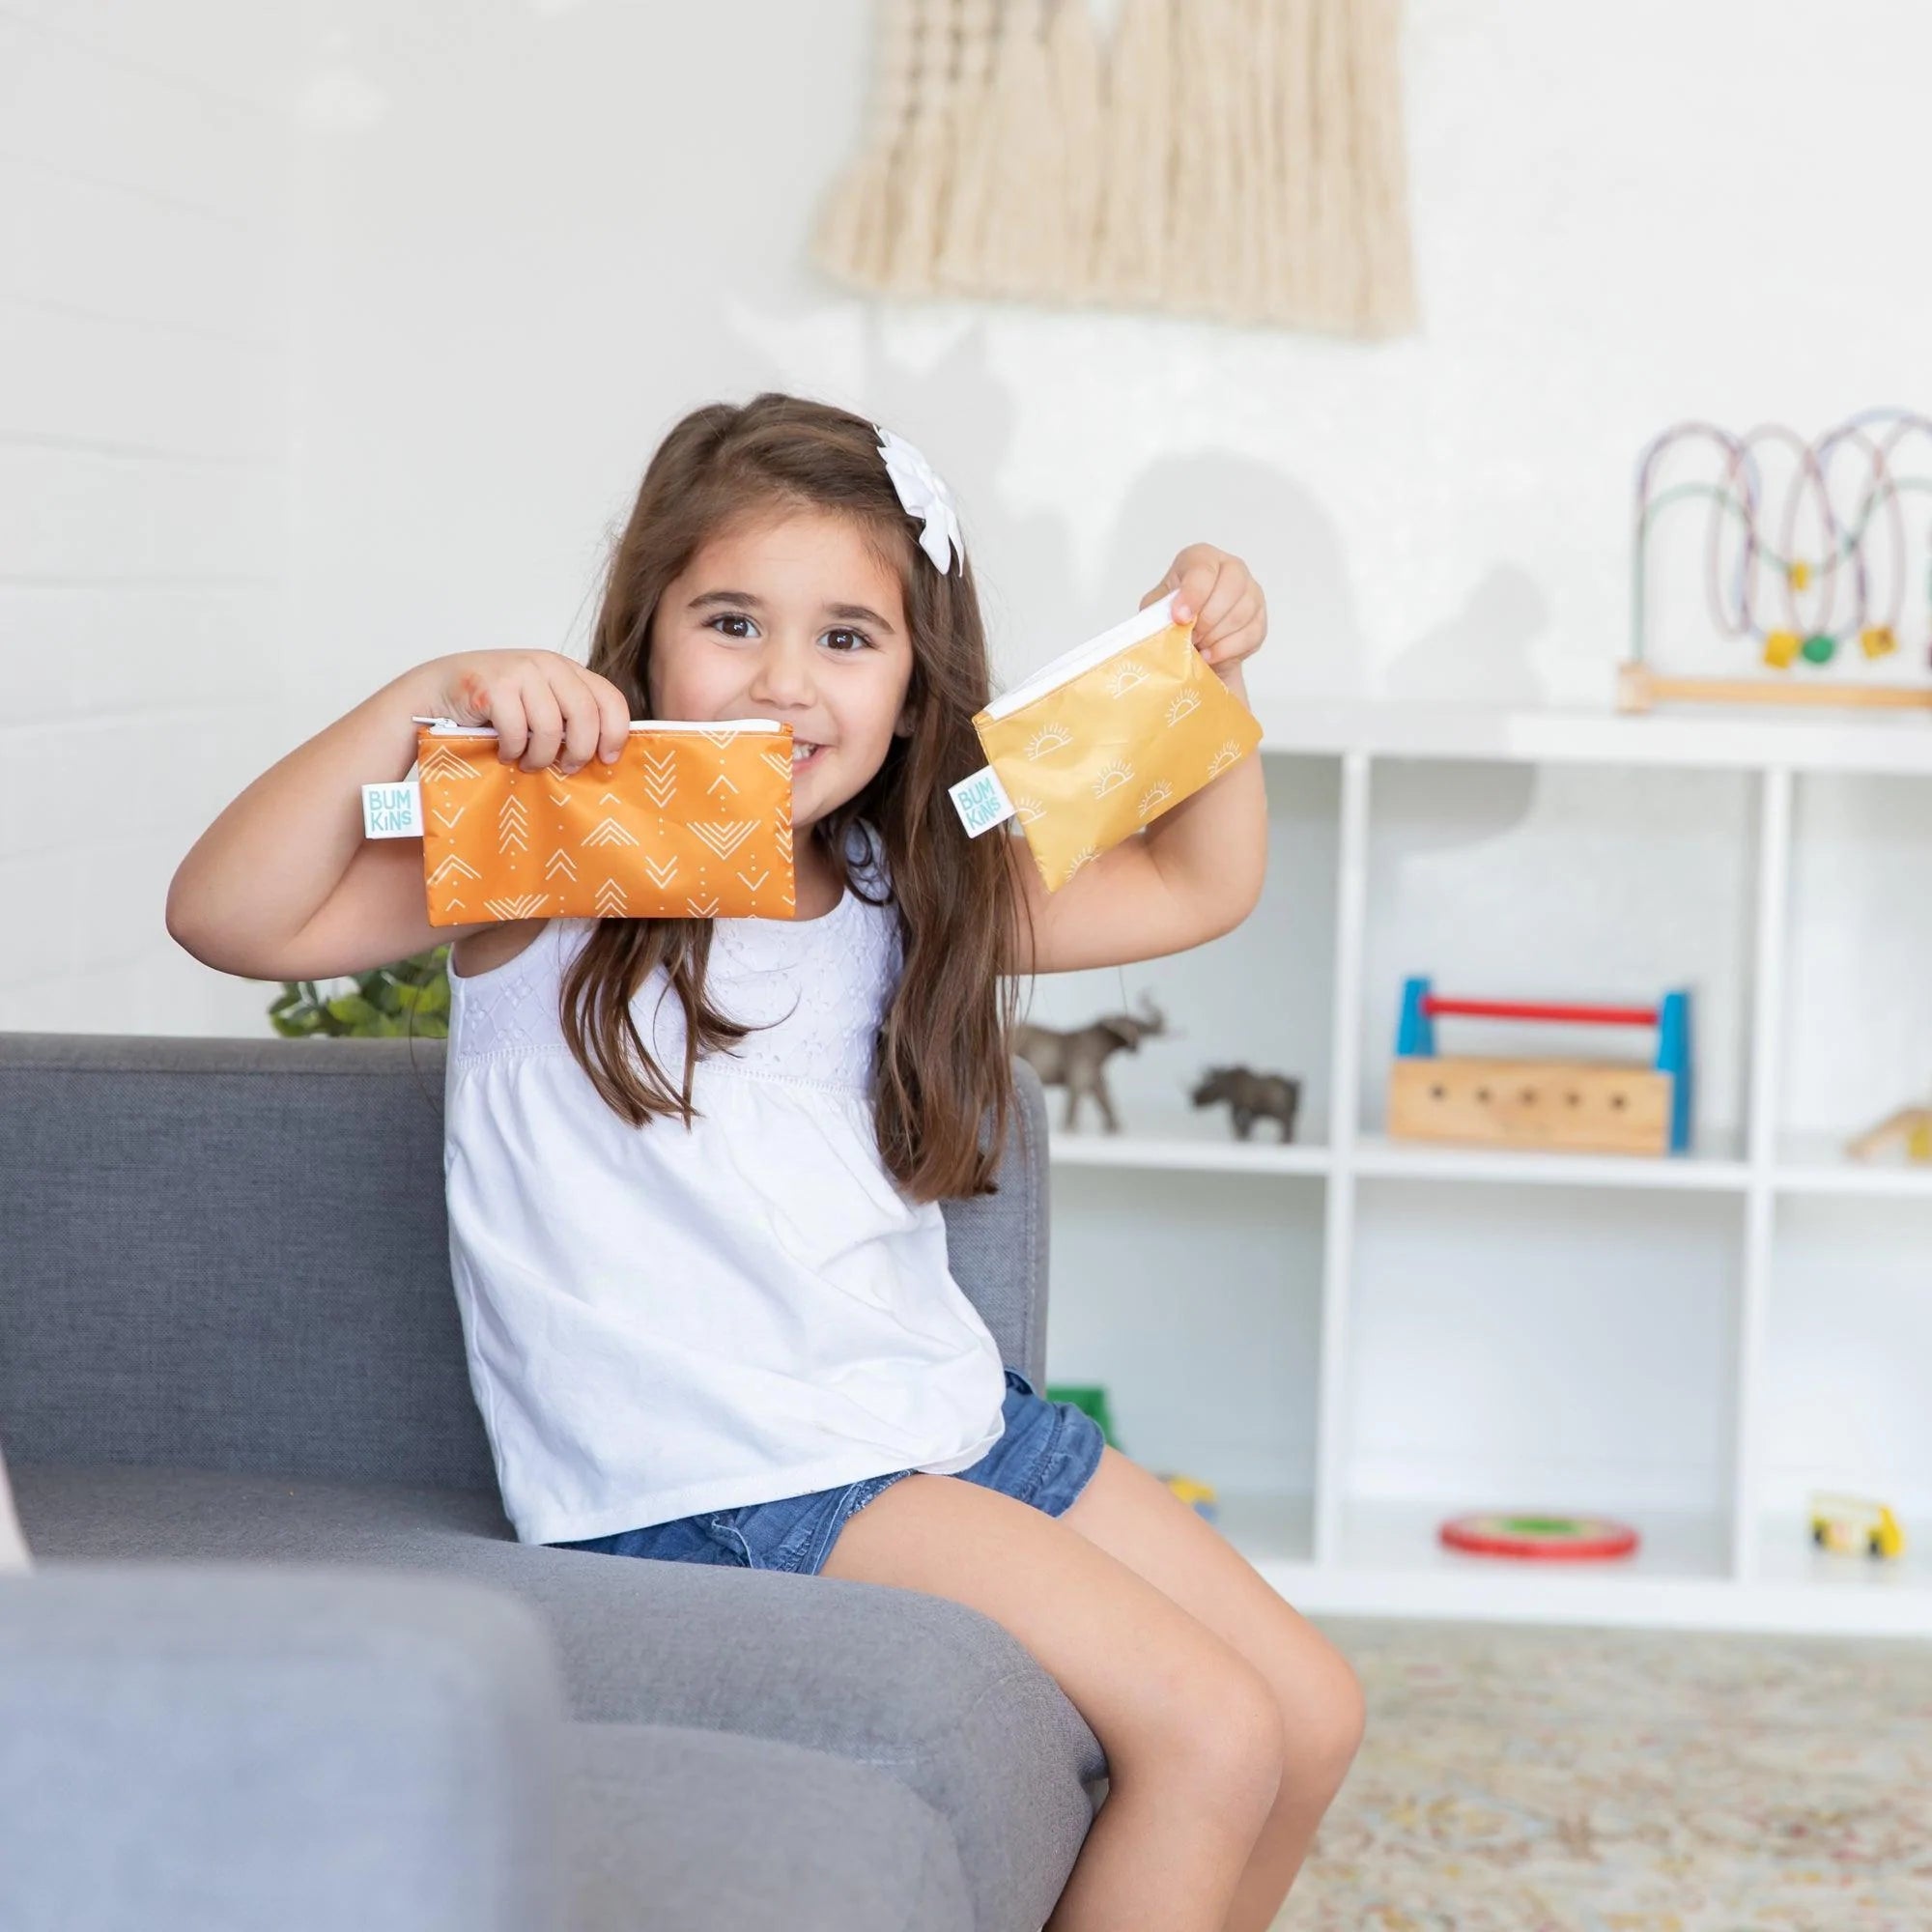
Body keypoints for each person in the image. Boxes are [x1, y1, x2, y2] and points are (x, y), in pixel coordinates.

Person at [166, 392, 1363, 1931]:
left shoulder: (900, 885)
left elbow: (1203, 880)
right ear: (646, 632)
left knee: (1311, 1711)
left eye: (847, 640)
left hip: (927, 1416)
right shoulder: (565, 854)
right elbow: (226, 913)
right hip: (730, 1468)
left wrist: (1213, 675)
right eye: (734, 621)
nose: (785, 686)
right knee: (1213, 1728)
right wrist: (428, 694)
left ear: (919, 680)